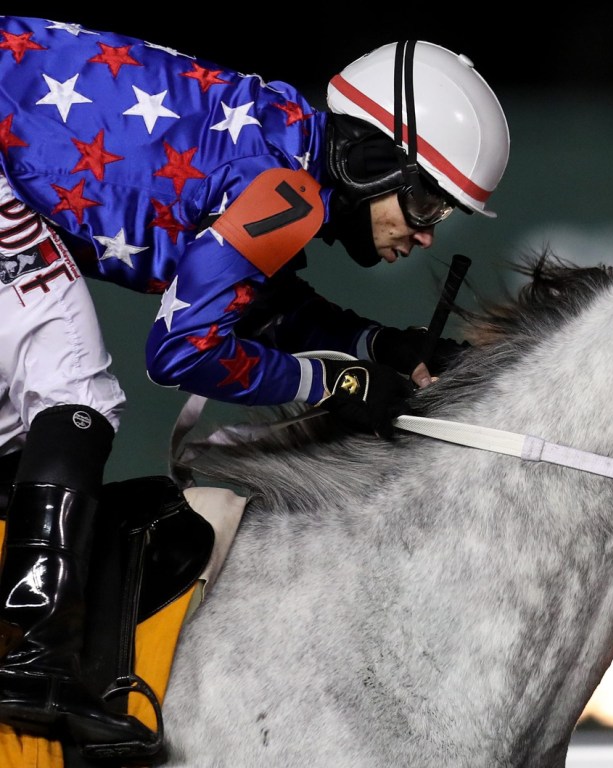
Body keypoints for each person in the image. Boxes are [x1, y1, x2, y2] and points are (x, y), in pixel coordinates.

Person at [0, 16, 510, 759]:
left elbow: (260, 306)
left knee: (22, 427)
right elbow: (179, 352)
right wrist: (337, 379)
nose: (427, 234)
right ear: (372, 159)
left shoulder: (281, 153)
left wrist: (375, 346)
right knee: (74, 397)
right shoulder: (286, 189)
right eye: (426, 204)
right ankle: (33, 656)